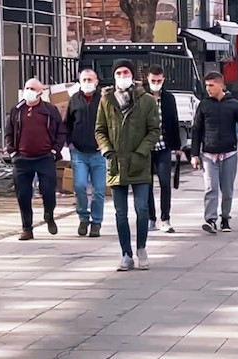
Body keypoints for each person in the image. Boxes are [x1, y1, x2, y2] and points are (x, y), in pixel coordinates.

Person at [95, 59, 160, 271]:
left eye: (126, 72)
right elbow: (100, 129)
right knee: (120, 213)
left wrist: (142, 151)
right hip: (116, 163)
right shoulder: (106, 100)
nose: (122, 76)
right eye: (118, 73)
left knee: (142, 209)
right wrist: (107, 150)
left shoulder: (146, 100)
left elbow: (154, 130)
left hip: (139, 162)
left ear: (132, 75)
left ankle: (141, 248)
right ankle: (126, 253)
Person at [191, 71, 238, 234]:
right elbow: (196, 130)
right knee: (210, 188)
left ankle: (225, 218)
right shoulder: (204, 105)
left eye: (211, 85)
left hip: (229, 153)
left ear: (221, 85)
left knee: (227, 189)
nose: (208, 89)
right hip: (208, 154)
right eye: (206, 85)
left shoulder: (233, 104)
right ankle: (210, 220)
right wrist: (194, 154)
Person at [6, 78, 66, 241]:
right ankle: (27, 228)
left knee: (48, 190)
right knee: (23, 194)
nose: (28, 91)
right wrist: (12, 153)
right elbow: (9, 133)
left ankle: (49, 215)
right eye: (26, 88)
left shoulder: (50, 110)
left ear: (40, 92)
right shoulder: (16, 110)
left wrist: (55, 151)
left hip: (44, 158)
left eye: (32, 88)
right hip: (22, 160)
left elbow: (61, 132)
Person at [65, 69, 105, 237]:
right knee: (80, 186)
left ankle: (96, 222)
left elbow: (110, 124)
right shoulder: (74, 100)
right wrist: (70, 144)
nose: (87, 82)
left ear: (96, 82)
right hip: (79, 153)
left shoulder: (103, 100)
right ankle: (83, 217)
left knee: (99, 191)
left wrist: (106, 145)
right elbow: (67, 124)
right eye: (84, 79)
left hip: (99, 153)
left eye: (90, 79)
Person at [144, 64, 182, 234]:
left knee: (165, 183)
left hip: (163, 147)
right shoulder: (142, 97)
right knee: (147, 184)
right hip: (145, 148)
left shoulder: (168, 98)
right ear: (148, 79)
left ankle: (165, 218)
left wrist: (178, 147)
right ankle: (150, 217)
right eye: (153, 80)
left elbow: (173, 121)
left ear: (163, 80)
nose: (156, 83)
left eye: (159, 80)